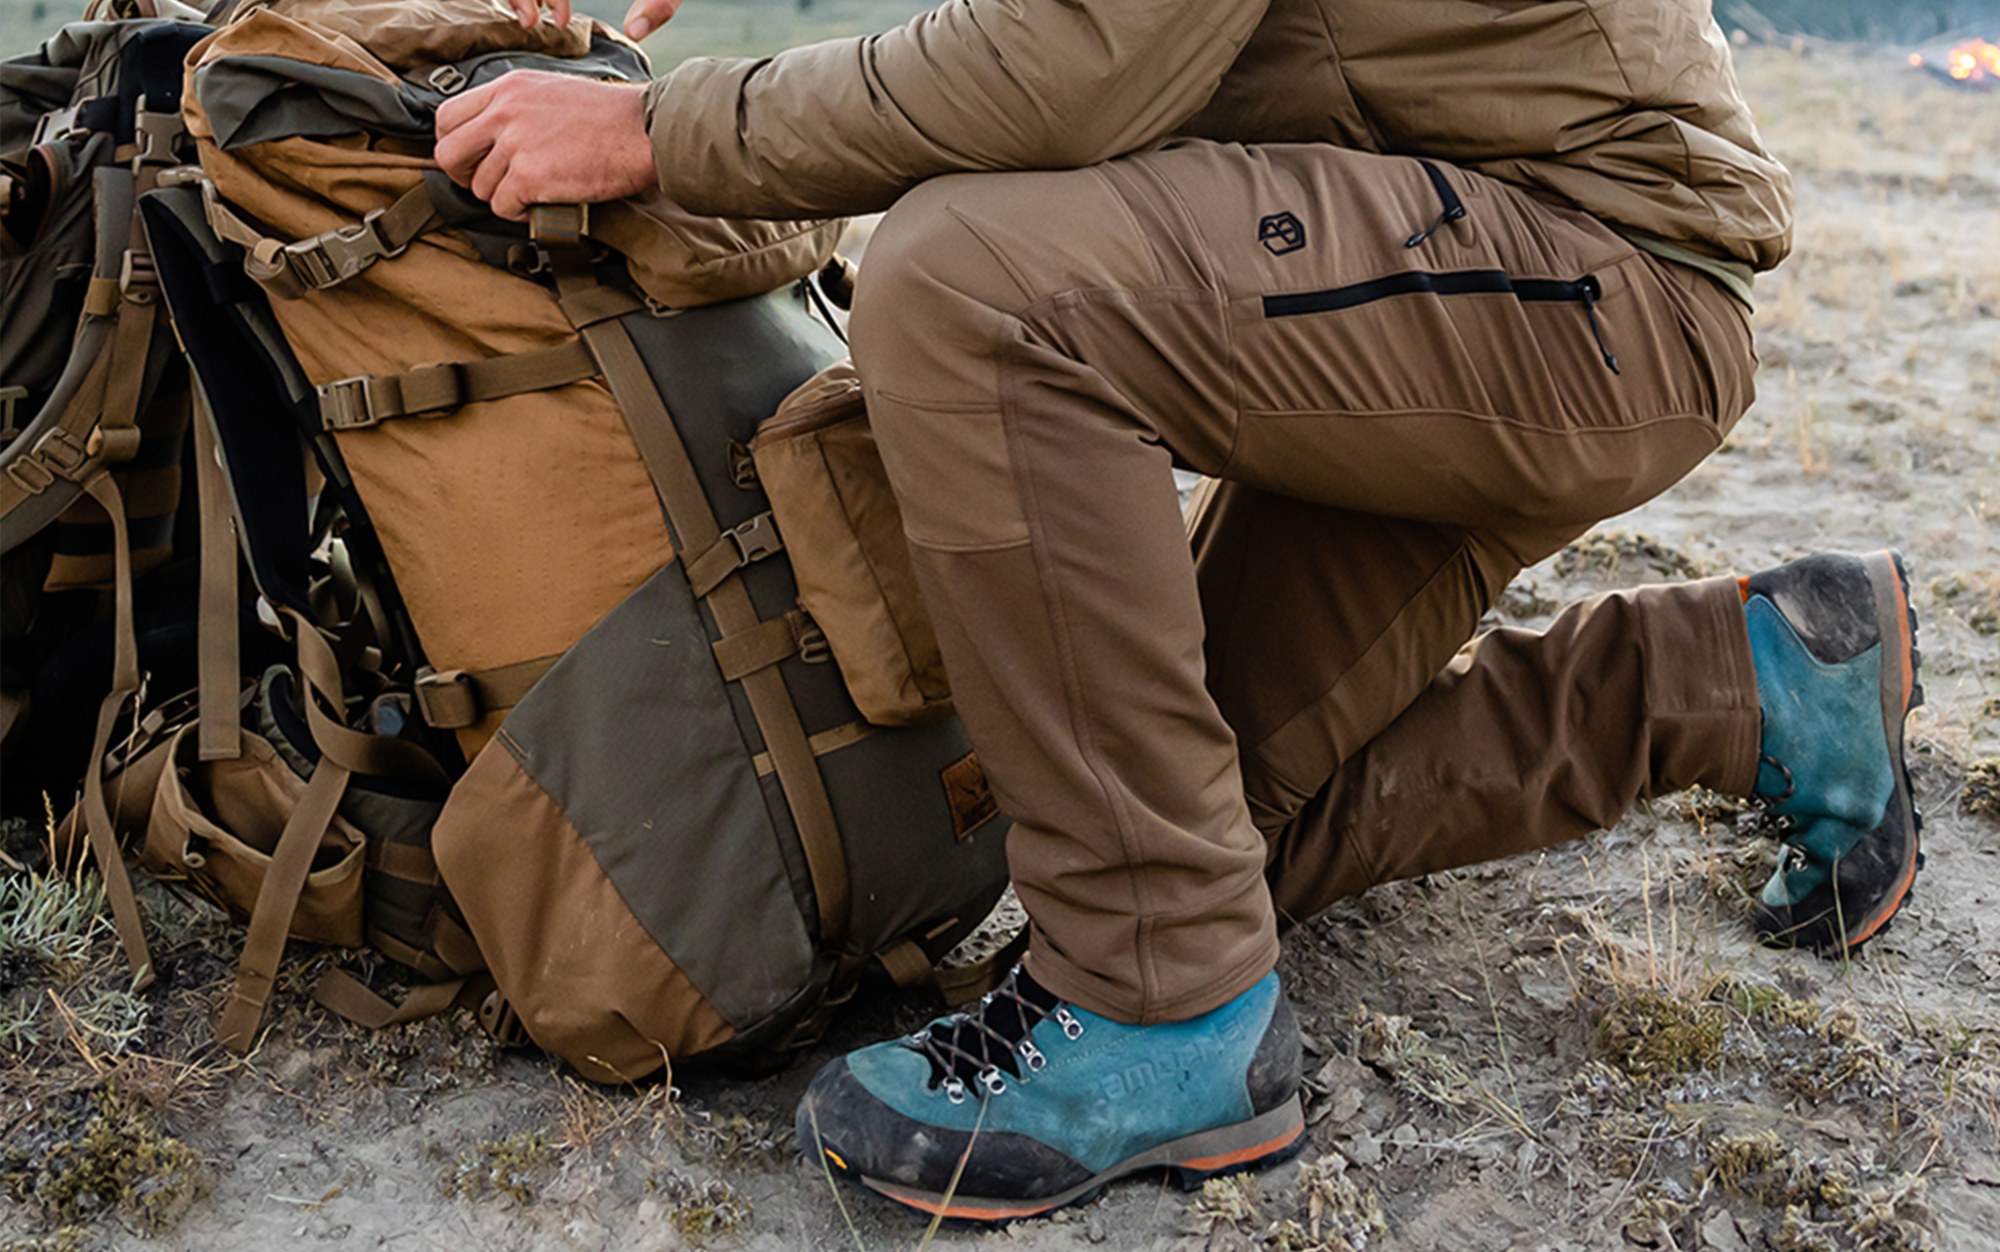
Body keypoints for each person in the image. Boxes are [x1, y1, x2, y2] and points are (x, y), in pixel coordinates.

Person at [436, 0, 1923, 1222]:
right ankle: (1755, 676)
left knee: (970, 282)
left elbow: (1072, 62)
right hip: (1470, 250)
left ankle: (1154, 1014)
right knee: (1196, 840)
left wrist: (664, 128)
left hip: (1588, 274)